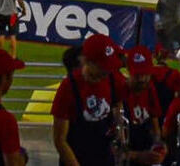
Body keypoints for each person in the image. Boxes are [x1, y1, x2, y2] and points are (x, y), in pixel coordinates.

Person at [53, 30, 127, 166]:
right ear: (87, 60)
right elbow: (60, 140)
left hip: (104, 156)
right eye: (102, 66)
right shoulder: (68, 87)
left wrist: (121, 140)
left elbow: (118, 105)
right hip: (75, 158)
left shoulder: (114, 78)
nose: (107, 71)